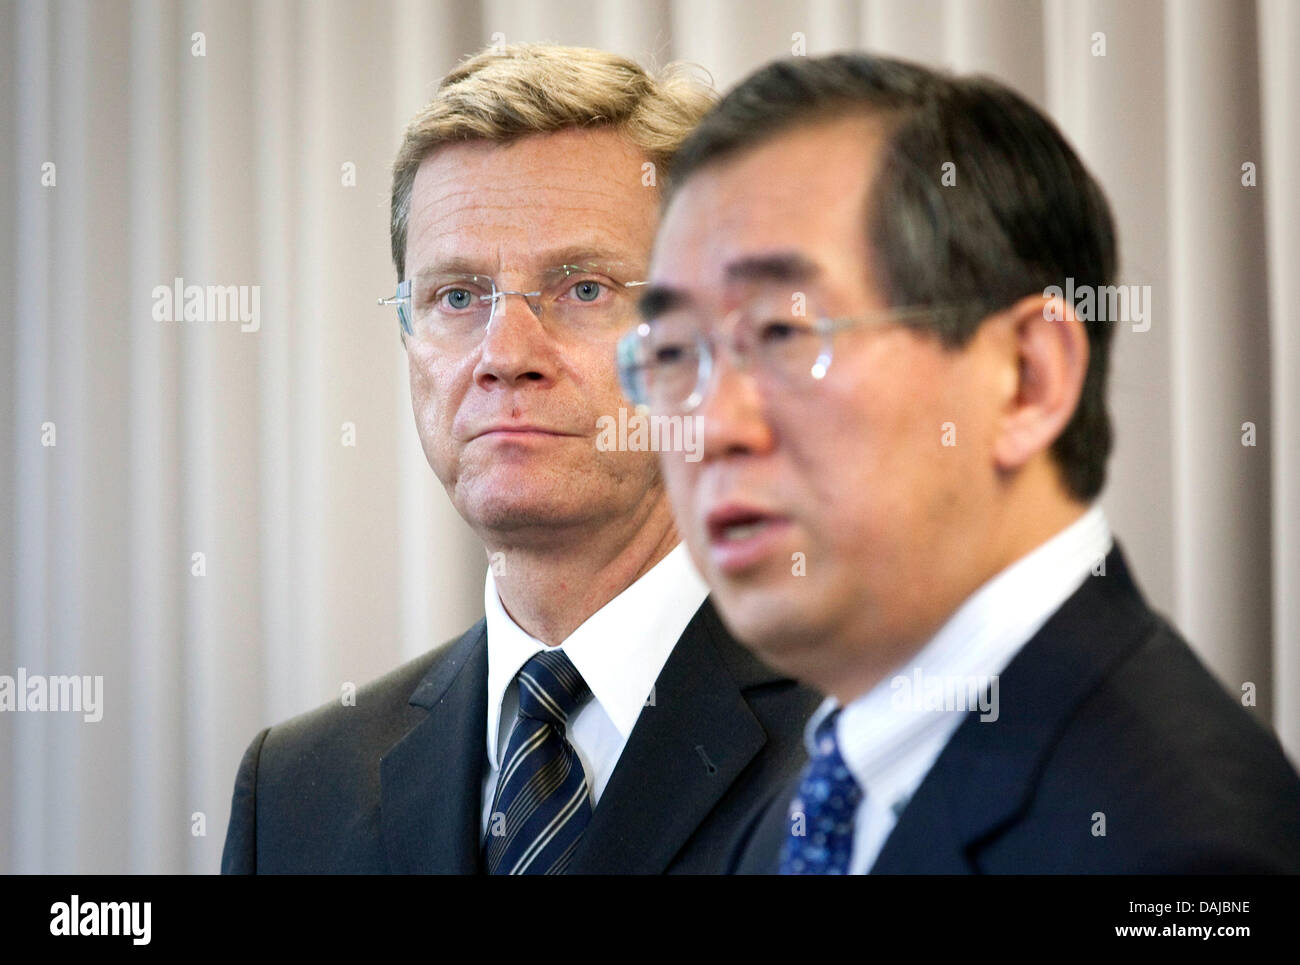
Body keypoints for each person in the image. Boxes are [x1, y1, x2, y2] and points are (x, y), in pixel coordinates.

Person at [619, 52, 1300, 873]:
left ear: (1026, 380)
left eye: (783, 333)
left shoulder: (1183, 854)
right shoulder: (811, 800)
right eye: (673, 351)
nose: (713, 426)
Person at [221, 44, 819, 875]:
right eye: (456, 296)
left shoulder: (868, 732)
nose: (505, 354)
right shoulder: (295, 792)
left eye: (583, 289)